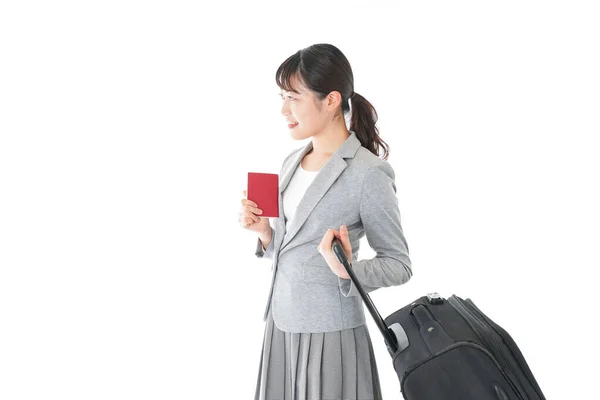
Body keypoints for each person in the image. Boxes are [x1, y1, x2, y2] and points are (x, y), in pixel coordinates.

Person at [238, 43, 412, 400]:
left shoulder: (369, 173)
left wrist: (347, 269)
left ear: (331, 100)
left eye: (294, 98)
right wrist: (266, 234)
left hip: (330, 332)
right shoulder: (291, 161)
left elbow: (399, 265)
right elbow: (295, 249)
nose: (285, 109)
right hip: (281, 325)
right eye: (282, 97)